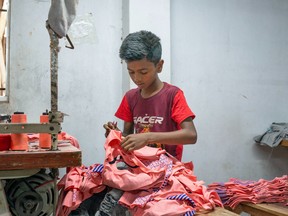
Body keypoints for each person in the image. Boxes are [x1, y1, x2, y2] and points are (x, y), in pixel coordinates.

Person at [104, 30, 197, 161]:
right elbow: (128, 137)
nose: (136, 78)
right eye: (131, 72)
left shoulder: (172, 95)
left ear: (159, 66)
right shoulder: (130, 97)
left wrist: (147, 137)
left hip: (169, 170)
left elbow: (191, 135)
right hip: (138, 167)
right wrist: (116, 135)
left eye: (143, 72)